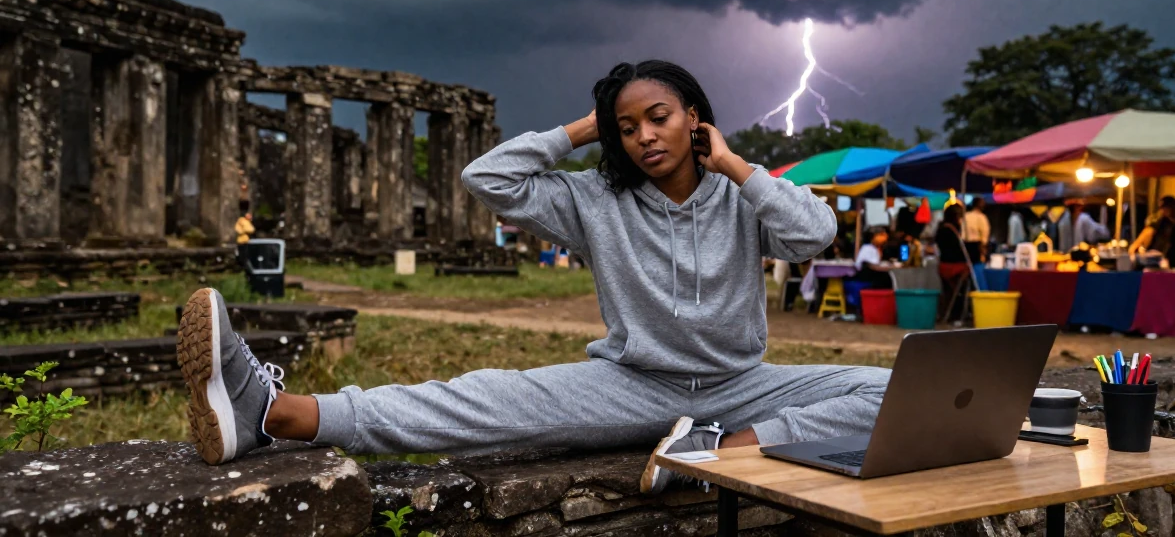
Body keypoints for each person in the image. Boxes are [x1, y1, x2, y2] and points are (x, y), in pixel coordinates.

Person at [175, 60, 890, 496]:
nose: (644, 135)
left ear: (694, 118)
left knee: (890, 387)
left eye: (660, 117)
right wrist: (580, 131)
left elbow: (815, 235)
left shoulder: (743, 194)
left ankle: (730, 447)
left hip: (745, 387)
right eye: (627, 124)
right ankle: (278, 415)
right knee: (486, 401)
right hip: (632, 383)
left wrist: (733, 164)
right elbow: (485, 179)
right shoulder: (592, 198)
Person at [1130, 195, 1175, 269]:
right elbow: (1150, 231)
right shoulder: (1162, 220)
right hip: (1160, 257)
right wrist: (1137, 246)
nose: (1164, 210)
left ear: (1174, 206)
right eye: (1162, 208)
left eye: (1167, 207)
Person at [936, 204, 970, 320]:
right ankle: (959, 314)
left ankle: (946, 314)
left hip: (943, 265)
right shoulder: (957, 230)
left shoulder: (940, 228)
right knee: (960, 291)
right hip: (957, 266)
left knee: (948, 292)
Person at [962, 197, 989, 262]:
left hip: (965, 246)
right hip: (977, 247)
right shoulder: (982, 217)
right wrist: (983, 251)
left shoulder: (966, 216)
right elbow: (984, 235)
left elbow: (962, 233)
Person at [234, 202, 255, 268]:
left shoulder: (246, 221)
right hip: (242, 241)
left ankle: (245, 265)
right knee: (243, 254)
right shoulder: (242, 220)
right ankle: (242, 265)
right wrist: (244, 231)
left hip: (246, 241)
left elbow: (251, 229)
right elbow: (249, 229)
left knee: (246, 254)